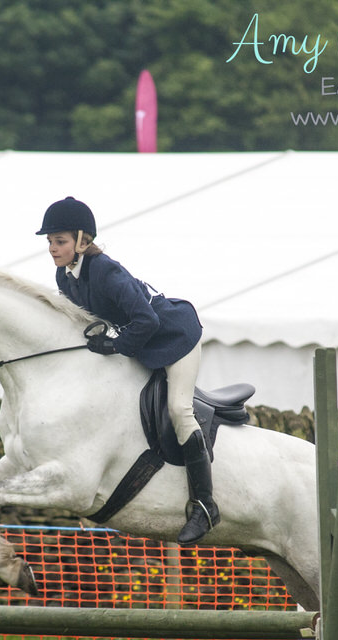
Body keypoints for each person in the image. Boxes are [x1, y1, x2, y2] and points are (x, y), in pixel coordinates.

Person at [36, 196, 216, 545]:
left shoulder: (106, 271)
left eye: (60, 241)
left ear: (82, 241)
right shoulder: (65, 276)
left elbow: (146, 320)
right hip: (144, 341)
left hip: (175, 336)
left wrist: (117, 346)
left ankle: (205, 506)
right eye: (50, 242)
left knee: (179, 409)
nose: (53, 249)